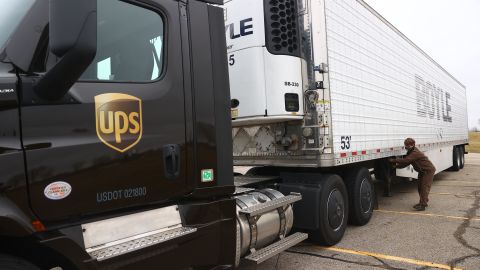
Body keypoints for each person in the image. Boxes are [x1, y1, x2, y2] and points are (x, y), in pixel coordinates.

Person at [389, 138, 436, 211]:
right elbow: (406, 163)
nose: (406, 147)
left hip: (428, 171)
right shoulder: (410, 153)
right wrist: (395, 167)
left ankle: (423, 205)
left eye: (408, 145)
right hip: (422, 171)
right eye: (405, 145)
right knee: (420, 187)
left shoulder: (415, 152)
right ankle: (423, 201)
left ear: (413, 145)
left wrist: (393, 160)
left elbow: (406, 160)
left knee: (424, 187)